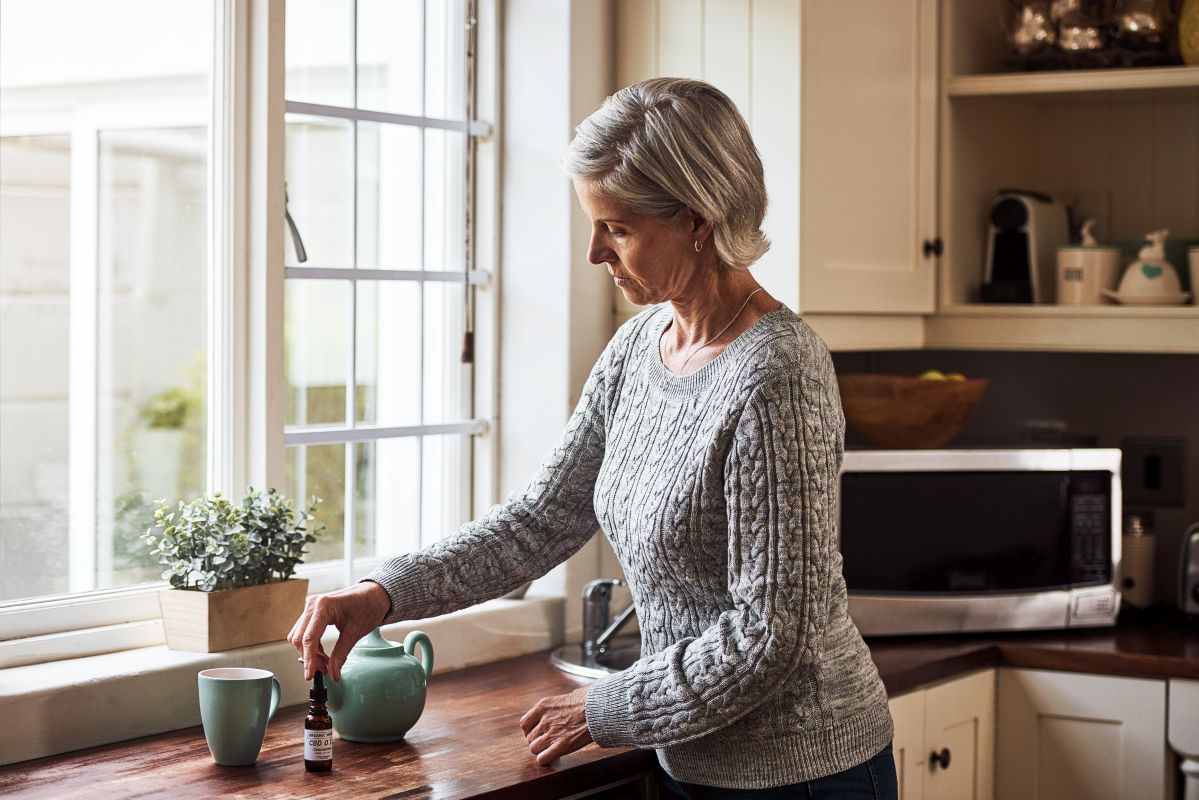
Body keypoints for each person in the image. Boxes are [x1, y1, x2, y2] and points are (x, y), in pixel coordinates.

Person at [289, 77, 898, 799]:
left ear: (697, 220)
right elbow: (539, 521)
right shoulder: (639, 346)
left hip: (802, 774)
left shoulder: (778, 373)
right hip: (688, 761)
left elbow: (771, 633)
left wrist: (606, 706)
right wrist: (385, 592)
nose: (593, 254)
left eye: (617, 228)